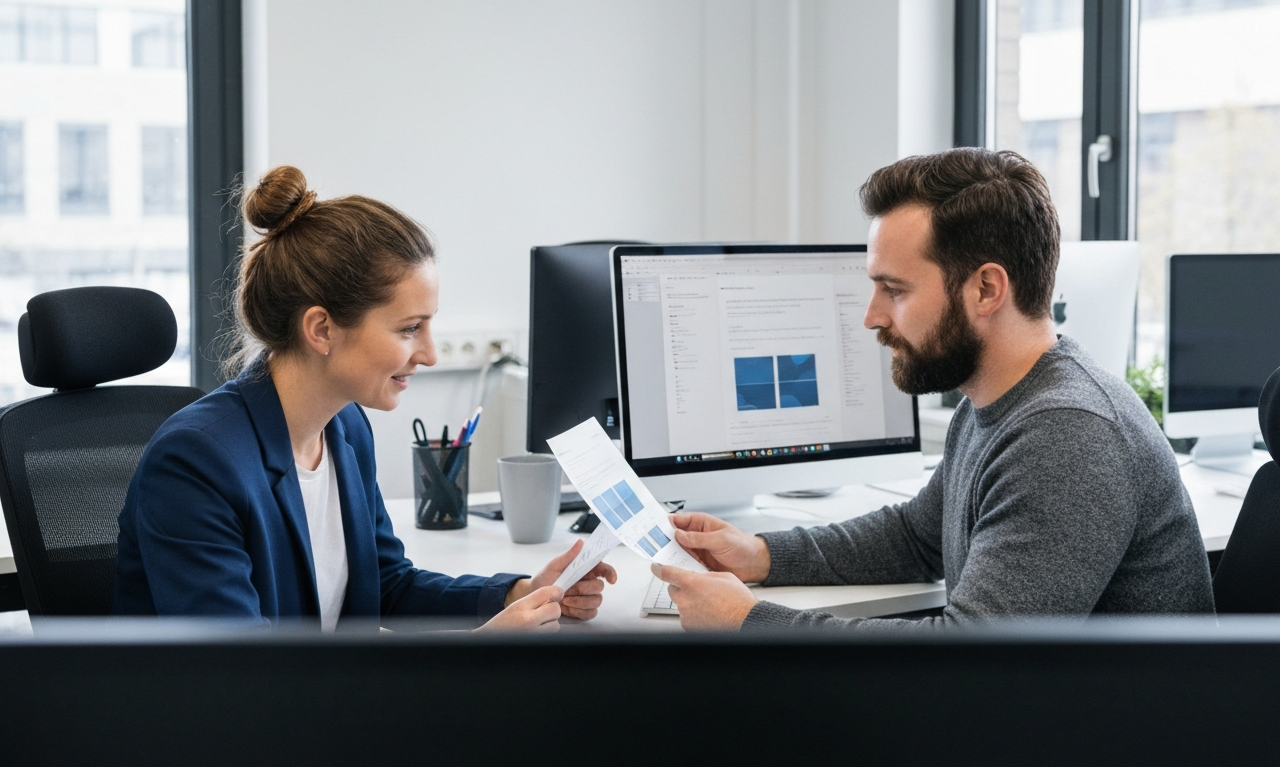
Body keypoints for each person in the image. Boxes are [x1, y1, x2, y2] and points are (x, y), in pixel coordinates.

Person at [652, 148, 1214, 631]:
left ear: (986, 289)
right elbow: (919, 537)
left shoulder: (1067, 431)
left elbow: (971, 661)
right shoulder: (997, 396)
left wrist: (749, 621)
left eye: (893, 290)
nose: (871, 318)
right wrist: (763, 554)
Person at [114, 165, 615, 631]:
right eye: (409, 328)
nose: (430, 354)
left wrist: (517, 594)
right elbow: (245, 680)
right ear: (322, 329)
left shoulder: (346, 428)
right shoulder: (196, 461)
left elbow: (386, 587)